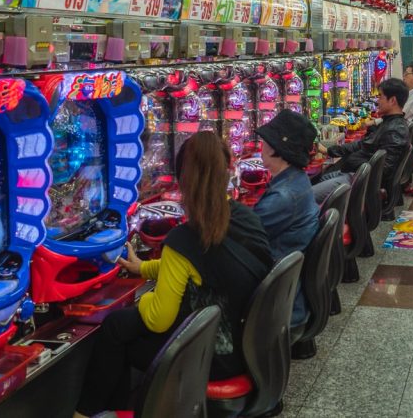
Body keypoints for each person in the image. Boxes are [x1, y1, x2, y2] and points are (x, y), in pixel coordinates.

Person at [73, 132, 273, 418]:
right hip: (245, 343)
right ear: (229, 168)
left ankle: (91, 411)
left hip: (213, 356)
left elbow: (159, 318)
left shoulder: (186, 238)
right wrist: (143, 268)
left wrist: (140, 299)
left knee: (117, 327)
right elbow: (204, 265)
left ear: (182, 180)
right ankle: (110, 410)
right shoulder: (242, 216)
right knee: (121, 328)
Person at [253, 109, 320, 327]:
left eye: (265, 141)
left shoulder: (284, 196)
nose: (261, 146)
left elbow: (241, 238)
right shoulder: (295, 180)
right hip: (286, 294)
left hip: (277, 304)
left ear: (274, 149)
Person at [312, 78, 410, 202]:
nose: (377, 101)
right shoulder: (390, 123)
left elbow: (384, 169)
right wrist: (329, 150)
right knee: (318, 180)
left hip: (358, 180)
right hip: (354, 174)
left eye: (380, 97)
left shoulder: (395, 130)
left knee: (307, 197)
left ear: (392, 100)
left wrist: (354, 162)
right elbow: (362, 144)